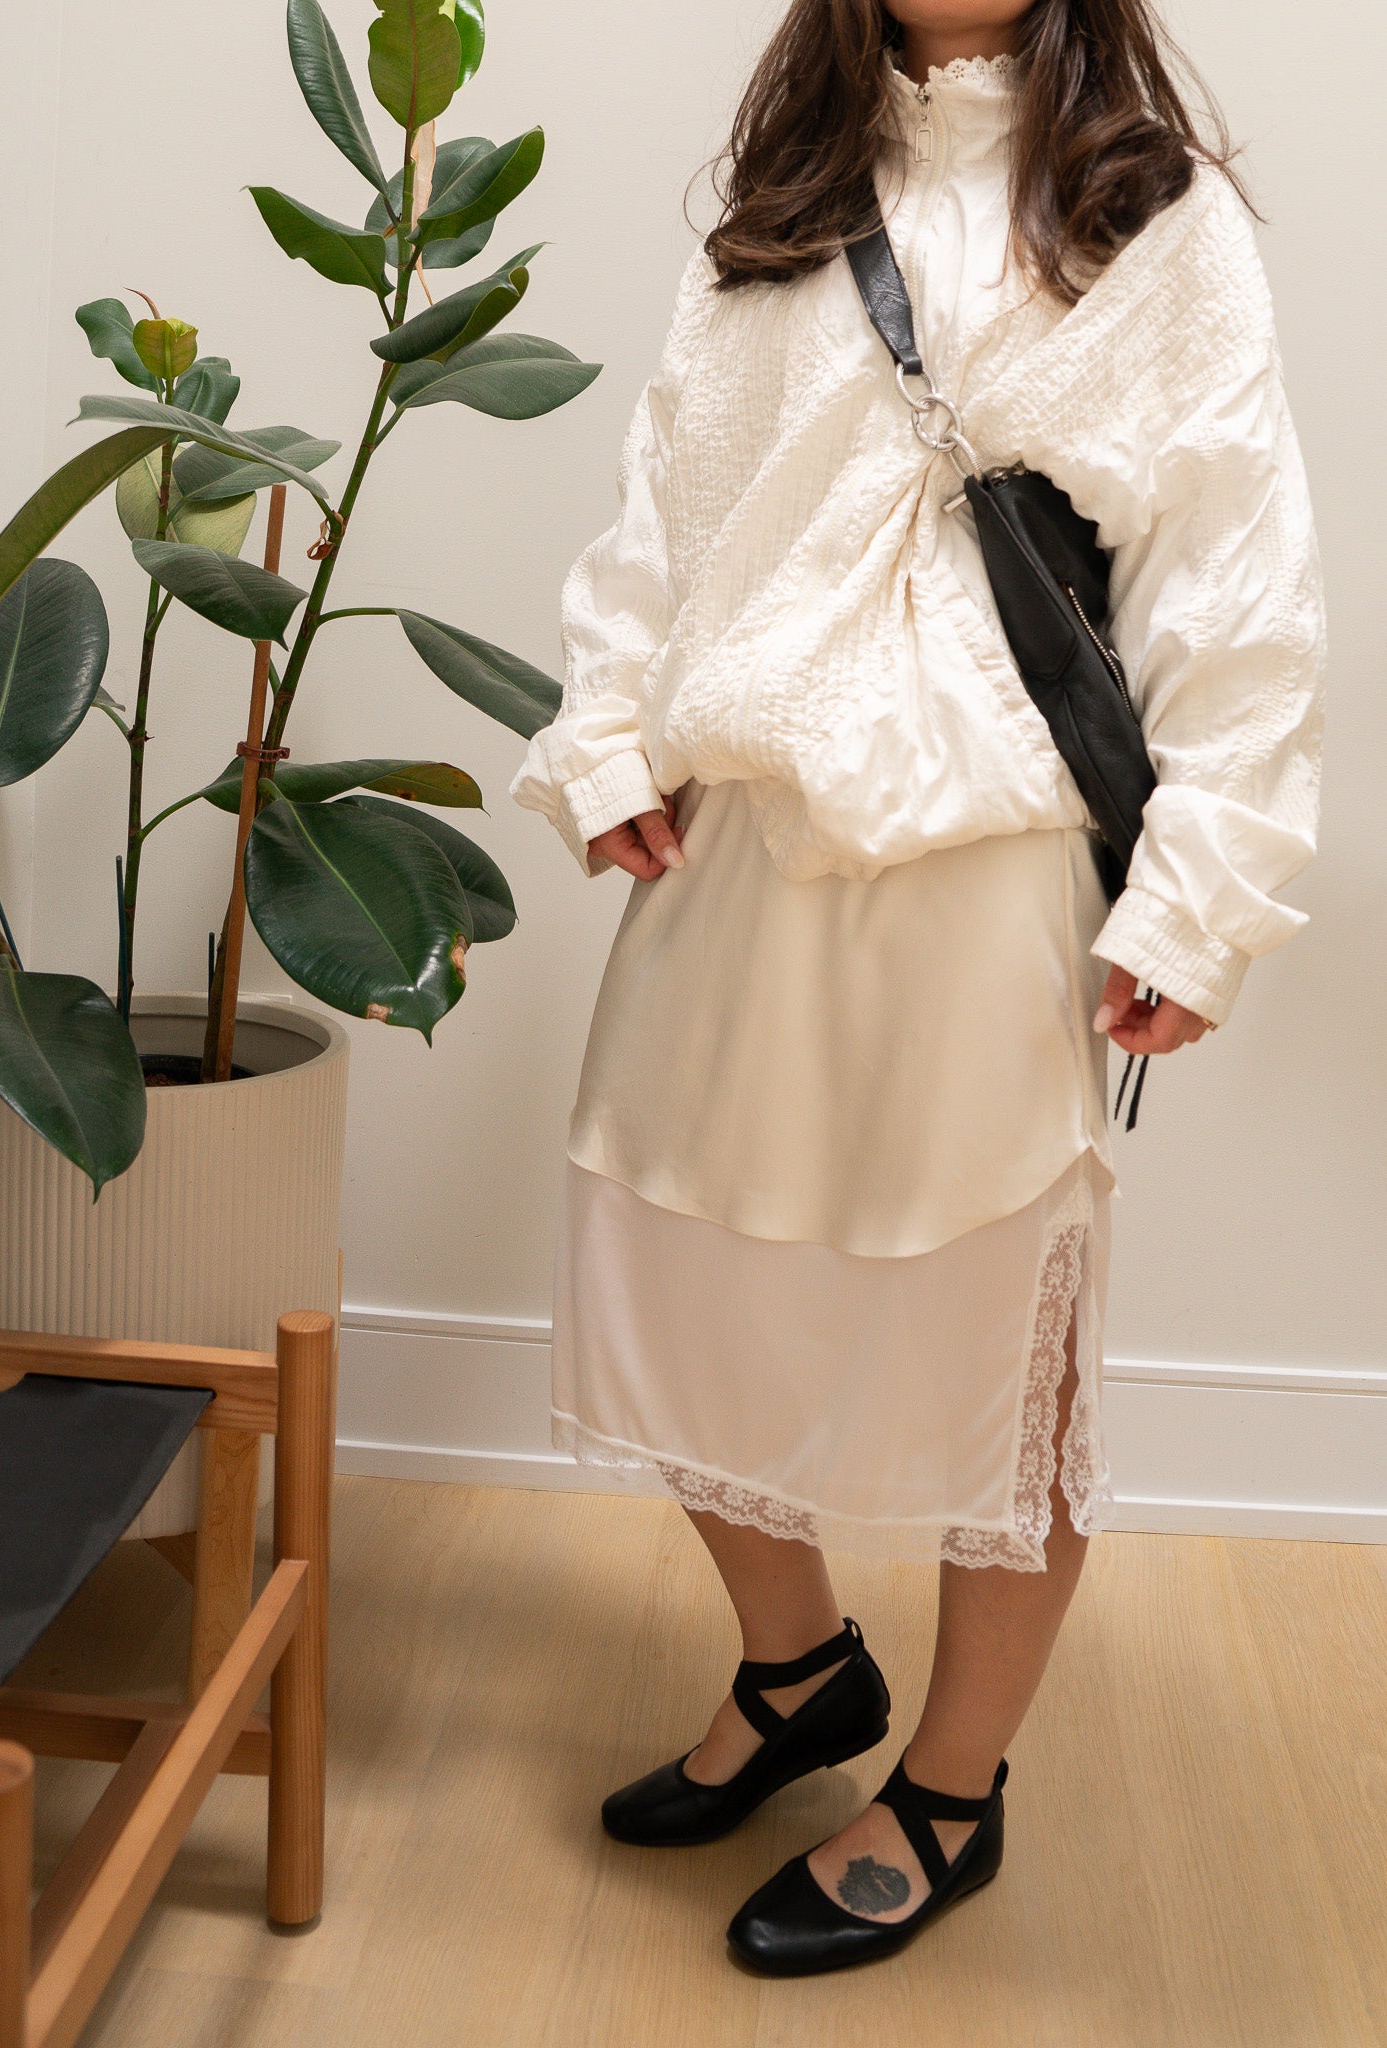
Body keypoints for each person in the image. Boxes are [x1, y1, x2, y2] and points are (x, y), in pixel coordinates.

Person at [511, 0, 1324, 1978]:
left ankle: (951, 1788)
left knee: (999, 1336)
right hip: (746, 845)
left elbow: (1238, 573)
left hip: (986, 865)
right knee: (670, 1267)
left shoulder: (1153, 218)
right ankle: (798, 1669)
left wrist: (1197, 898)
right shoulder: (791, 198)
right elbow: (671, 499)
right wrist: (608, 732)